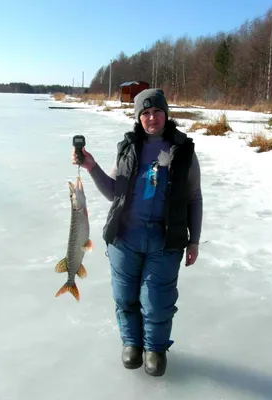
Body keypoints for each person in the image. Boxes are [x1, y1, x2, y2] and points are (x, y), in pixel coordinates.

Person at [71, 88, 203, 377]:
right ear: (138, 117)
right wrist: (91, 166)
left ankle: (155, 348)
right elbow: (113, 193)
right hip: (124, 238)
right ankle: (131, 342)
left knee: (156, 299)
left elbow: (194, 197)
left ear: (166, 114)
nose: (152, 117)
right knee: (124, 296)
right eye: (145, 113)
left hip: (165, 239)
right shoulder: (128, 148)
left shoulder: (184, 151)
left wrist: (194, 240)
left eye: (156, 111)